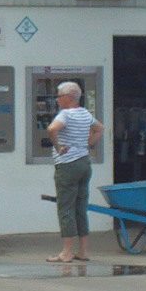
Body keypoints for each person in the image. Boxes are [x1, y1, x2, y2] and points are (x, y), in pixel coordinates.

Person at [45, 80, 101, 264]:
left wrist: (58, 146)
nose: (57, 99)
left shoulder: (66, 114)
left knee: (66, 207)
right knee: (80, 207)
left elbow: (51, 129)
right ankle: (83, 251)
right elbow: (99, 128)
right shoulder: (85, 113)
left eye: (59, 96)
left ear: (68, 98)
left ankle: (67, 252)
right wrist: (88, 144)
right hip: (84, 163)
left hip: (67, 165)